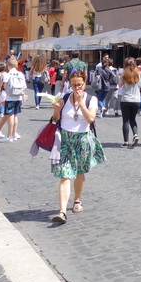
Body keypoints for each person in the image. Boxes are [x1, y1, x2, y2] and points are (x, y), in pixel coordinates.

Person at [50, 70, 105, 224]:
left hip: (82, 140)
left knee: (79, 173)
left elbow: (91, 119)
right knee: (65, 174)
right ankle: (62, 212)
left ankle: (77, 200)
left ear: (84, 83)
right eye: (74, 85)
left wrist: (81, 103)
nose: (77, 88)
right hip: (66, 140)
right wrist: (56, 109)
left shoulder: (91, 99)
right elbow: (56, 119)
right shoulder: (65, 97)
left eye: (79, 84)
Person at [0, 57, 25, 142]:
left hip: (10, 97)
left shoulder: (7, 75)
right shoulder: (20, 74)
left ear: (8, 65)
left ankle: (9, 136)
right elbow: (24, 86)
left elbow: (4, 86)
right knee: (15, 115)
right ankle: (14, 134)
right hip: (18, 97)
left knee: (10, 116)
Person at [118, 57, 141, 148]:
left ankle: (125, 142)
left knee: (125, 121)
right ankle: (135, 134)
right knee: (133, 119)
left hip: (125, 99)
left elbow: (119, 85)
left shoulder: (124, 74)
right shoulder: (139, 73)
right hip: (136, 99)